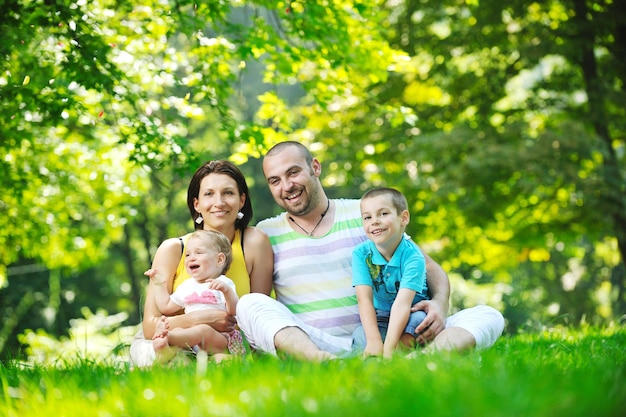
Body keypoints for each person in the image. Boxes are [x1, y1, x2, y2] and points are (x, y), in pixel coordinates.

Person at [236, 141, 505, 361]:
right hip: (320, 344)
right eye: (275, 180)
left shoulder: (365, 213)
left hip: (387, 335)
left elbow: (429, 268)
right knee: (249, 304)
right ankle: (322, 364)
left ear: (315, 167)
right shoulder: (266, 232)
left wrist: (439, 304)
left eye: (293, 172)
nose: (286, 186)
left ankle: (420, 362)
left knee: (487, 315)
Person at [129, 160, 273, 367]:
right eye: (209, 194)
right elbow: (151, 329)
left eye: (228, 193)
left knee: (223, 364)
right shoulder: (174, 249)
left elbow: (259, 316)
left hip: (225, 345)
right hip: (170, 343)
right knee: (179, 364)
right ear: (196, 204)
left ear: (242, 200)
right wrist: (199, 320)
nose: (219, 202)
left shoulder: (254, 242)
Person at [352, 187, 430, 358]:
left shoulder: (413, 257)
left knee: (418, 322)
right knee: (360, 334)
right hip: (381, 316)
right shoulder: (361, 254)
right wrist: (373, 341)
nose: (374, 221)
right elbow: (363, 298)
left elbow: (402, 304)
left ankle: (393, 357)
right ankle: (374, 357)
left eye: (383, 214)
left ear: (404, 218)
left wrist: (388, 349)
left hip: (409, 313)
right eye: (367, 217)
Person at [146, 230, 245, 362]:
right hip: (193, 342)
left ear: (219, 259)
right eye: (187, 254)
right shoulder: (187, 286)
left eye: (199, 253)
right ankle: (166, 350)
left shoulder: (223, 283)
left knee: (203, 330)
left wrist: (227, 292)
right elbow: (166, 307)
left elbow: (233, 311)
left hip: (221, 339)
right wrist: (159, 284)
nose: (191, 258)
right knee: (181, 330)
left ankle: (167, 337)